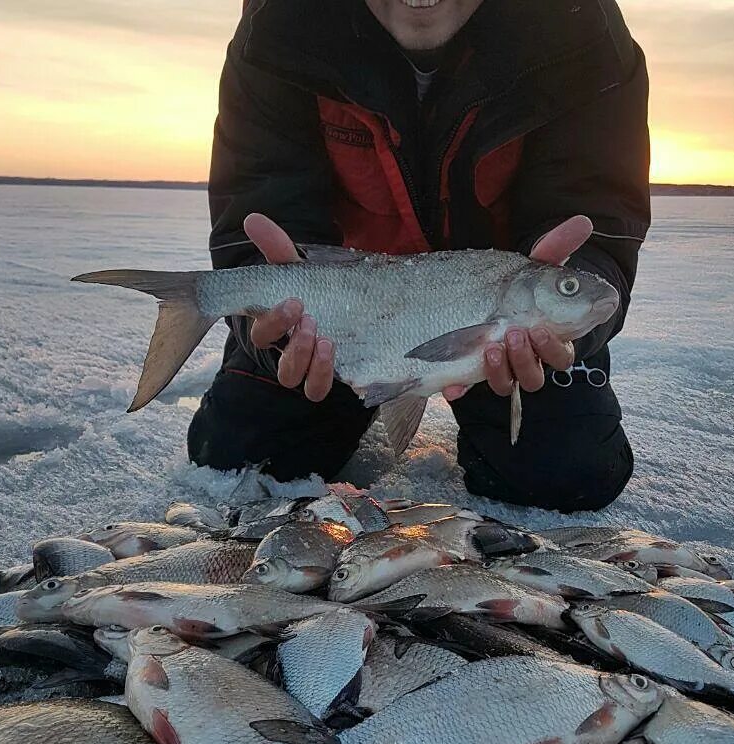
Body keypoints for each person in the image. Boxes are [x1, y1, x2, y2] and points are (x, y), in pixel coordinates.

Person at [188, 0, 650, 512]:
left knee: (569, 473)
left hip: (502, 332)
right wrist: (272, 337)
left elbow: (600, 221)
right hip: (341, 318)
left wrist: (577, 286)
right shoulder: (276, 27)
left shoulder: (583, 31)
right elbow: (256, 212)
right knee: (238, 455)